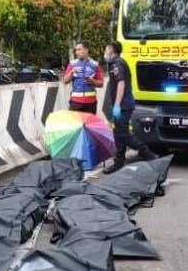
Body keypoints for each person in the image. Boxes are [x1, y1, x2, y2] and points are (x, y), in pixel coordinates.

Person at [102, 41, 157, 173]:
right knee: (118, 134)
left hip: (123, 105)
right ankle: (118, 163)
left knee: (123, 134)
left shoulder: (117, 63)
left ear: (112, 50)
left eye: (106, 49)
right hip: (122, 105)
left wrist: (116, 105)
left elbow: (121, 83)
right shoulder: (114, 63)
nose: (105, 52)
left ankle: (149, 155)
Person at [62, 41, 103, 113]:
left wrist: (94, 82)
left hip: (91, 103)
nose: (77, 52)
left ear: (86, 50)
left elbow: (101, 83)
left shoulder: (94, 65)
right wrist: (71, 73)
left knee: (90, 124)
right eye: (76, 50)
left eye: (79, 49)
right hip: (75, 102)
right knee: (75, 124)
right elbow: (65, 81)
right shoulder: (72, 64)